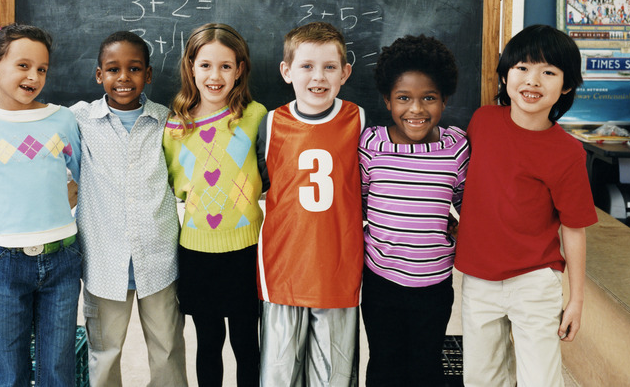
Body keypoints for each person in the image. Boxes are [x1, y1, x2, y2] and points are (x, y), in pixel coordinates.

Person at [455, 24, 598, 387]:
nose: (532, 81)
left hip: (535, 282)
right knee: (481, 378)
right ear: (505, 75)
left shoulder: (568, 152)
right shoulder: (482, 121)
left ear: (565, 85)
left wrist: (576, 301)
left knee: (540, 380)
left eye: (548, 72)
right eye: (522, 68)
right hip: (479, 278)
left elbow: (574, 228)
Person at [0, 24, 82, 386]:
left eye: (42, 69)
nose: (34, 76)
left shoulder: (62, 119)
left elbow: (85, 177)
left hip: (62, 259)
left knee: (57, 371)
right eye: (24, 66)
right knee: (8, 372)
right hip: (5, 263)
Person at [72, 31, 188, 387]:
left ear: (148, 75)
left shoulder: (168, 123)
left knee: (167, 349)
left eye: (134, 69)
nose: (123, 78)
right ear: (98, 75)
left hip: (159, 258)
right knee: (104, 353)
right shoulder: (79, 120)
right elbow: (35, 118)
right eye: (113, 69)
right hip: (104, 260)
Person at [256, 21, 365, 386]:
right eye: (307, 66)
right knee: (279, 373)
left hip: (337, 270)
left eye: (329, 67)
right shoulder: (270, 123)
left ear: (345, 73)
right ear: (287, 71)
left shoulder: (358, 119)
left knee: (333, 376)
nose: (318, 77)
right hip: (283, 268)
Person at [358, 34, 470, 387]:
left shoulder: (456, 147)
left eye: (429, 99)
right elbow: (359, 201)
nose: (416, 110)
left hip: (434, 284)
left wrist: (460, 228)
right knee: (384, 368)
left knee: (426, 370)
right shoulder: (370, 145)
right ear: (387, 100)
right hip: (380, 281)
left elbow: (467, 202)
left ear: (445, 99)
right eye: (404, 98)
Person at [162, 23, 266, 387]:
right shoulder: (175, 128)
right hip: (197, 252)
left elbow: (267, 174)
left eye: (225, 66)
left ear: (240, 69)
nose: (215, 75)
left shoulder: (256, 117)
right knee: (207, 342)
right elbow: (177, 185)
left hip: (246, 249)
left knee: (246, 343)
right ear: (191, 66)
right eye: (205, 65)